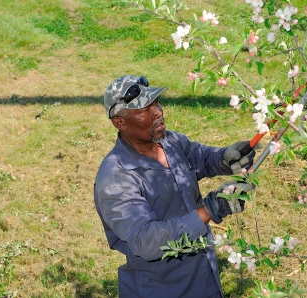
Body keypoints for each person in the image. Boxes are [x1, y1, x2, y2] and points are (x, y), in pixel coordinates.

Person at [94, 74, 257, 297]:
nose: (158, 112)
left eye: (157, 104)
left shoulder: (168, 141)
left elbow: (199, 158)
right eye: (145, 110)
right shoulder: (116, 178)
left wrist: (224, 159)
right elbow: (146, 240)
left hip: (203, 275)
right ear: (119, 122)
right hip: (163, 288)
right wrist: (210, 210)